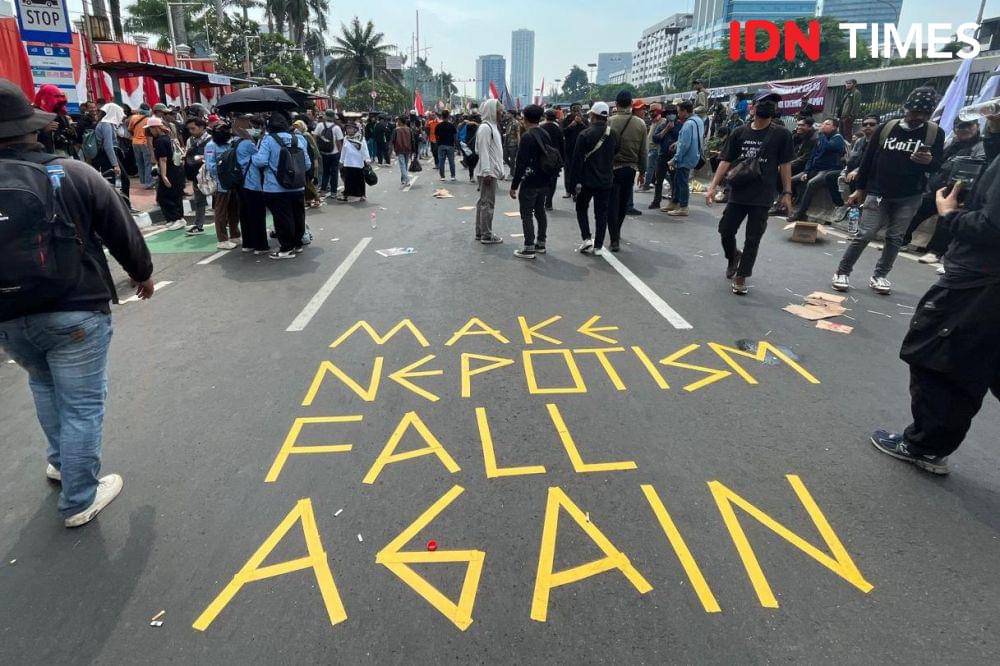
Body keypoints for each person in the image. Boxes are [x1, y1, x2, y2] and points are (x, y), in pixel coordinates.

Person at [0, 78, 154, 527]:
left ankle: (60, 463)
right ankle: (80, 497)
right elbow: (121, 229)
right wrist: (141, 273)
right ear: (32, 128)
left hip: (8, 316)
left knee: (43, 385)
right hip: (75, 308)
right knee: (81, 404)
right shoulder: (72, 172)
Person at [870, 149, 1000, 476]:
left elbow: (991, 226)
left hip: (979, 283)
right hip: (981, 280)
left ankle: (925, 446)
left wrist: (950, 214)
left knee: (940, 360)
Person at [832, 86, 944, 295]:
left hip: (910, 195)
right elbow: (868, 160)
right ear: (906, 109)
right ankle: (843, 271)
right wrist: (860, 189)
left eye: (924, 114)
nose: (918, 117)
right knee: (865, 234)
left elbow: (938, 165)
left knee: (895, 238)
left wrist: (928, 161)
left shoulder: (934, 133)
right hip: (878, 192)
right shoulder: (887, 128)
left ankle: (880, 276)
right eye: (915, 112)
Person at [705, 93, 794, 295]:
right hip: (738, 191)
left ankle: (741, 276)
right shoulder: (739, 132)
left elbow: (785, 165)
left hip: (763, 195)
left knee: (753, 238)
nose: (768, 106)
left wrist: (787, 192)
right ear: (752, 107)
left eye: (772, 103)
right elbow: (725, 160)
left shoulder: (782, 135)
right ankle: (733, 256)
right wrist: (712, 186)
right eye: (764, 102)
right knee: (725, 230)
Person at [902, 118, 985, 261]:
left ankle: (936, 252)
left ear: (977, 126)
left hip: (959, 191)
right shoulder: (951, 143)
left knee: (945, 219)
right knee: (917, 211)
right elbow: (937, 163)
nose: (964, 129)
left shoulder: (982, 146)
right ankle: (901, 241)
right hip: (937, 187)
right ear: (955, 129)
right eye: (960, 126)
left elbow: (977, 168)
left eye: (969, 125)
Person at [251, 112, 311, 259]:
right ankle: (297, 244)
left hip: (275, 187)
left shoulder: (268, 140)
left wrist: (253, 155)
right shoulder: (298, 139)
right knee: (298, 216)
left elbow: (260, 161)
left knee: (282, 218)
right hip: (297, 185)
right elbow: (307, 164)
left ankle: (286, 249)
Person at [568, 101, 616, 255]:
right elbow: (617, 151)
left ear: (593, 116)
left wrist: (572, 184)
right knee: (601, 213)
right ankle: (599, 246)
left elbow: (576, 161)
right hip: (606, 180)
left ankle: (587, 238)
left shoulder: (585, 134)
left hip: (586, 180)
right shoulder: (613, 134)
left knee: (581, 208)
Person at [509, 104, 555, 259]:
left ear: (525, 118)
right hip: (544, 180)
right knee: (540, 211)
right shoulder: (545, 133)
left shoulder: (527, 137)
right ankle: (541, 243)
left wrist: (514, 186)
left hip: (530, 181)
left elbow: (521, 164)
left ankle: (529, 247)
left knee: (527, 214)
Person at [607, 91, 647, 252]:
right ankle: (617, 230)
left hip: (611, 168)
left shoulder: (610, 122)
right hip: (630, 169)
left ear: (616, 104)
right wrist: (642, 172)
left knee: (612, 204)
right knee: (623, 203)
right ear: (631, 104)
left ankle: (614, 238)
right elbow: (643, 151)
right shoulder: (640, 124)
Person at [787, 118, 847, 222]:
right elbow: (812, 156)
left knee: (811, 183)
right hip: (814, 169)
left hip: (827, 170)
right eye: (823, 123)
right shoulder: (821, 138)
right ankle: (786, 206)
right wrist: (806, 171)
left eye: (827, 124)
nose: (823, 125)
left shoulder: (838, 139)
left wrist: (821, 134)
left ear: (834, 127)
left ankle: (801, 213)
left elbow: (826, 147)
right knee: (790, 180)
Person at [203, 120, 241, 250]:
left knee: (234, 209)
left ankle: (235, 234)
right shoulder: (211, 146)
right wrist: (224, 172)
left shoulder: (229, 144)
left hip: (232, 182)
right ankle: (222, 239)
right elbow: (210, 166)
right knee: (221, 212)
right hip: (220, 183)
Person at [235, 115, 270, 255]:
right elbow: (260, 160)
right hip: (252, 183)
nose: (253, 129)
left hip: (241, 183)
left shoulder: (236, 142)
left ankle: (248, 243)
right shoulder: (249, 144)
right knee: (257, 215)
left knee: (245, 214)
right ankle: (261, 246)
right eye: (251, 127)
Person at [474, 98, 506, 244]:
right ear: (492, 111)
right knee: (487, 203)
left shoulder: (492, 127)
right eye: (499, 111)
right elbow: (483, 151)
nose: (501, 114)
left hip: (490, 171)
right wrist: (487, 172)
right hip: (488, 172)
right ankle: (486, 235)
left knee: (484, 202)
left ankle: (481, 231)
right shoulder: (485, 128)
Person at [665, 100, 704, 217]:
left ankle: (683, 207)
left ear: (685, 111)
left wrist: (675, 159)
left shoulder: (688, 124)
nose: (678, 115)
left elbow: (685, 145)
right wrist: (677, 142)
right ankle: (675, 203)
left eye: (679, 112)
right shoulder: (698, 120)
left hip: (685, 158)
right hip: (694, 155)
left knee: (682, 182)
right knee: (679, 180)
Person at [147, 116, 186, 230]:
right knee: (174, 195)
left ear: (156, 128)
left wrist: (164, 176)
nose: (150, 131)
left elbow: (163, 159)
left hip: (169, 171)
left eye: (151, 128)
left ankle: (177, 218)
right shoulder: (169, 137)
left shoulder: (160, 141)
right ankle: (174, 218)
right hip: (176, 169)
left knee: (164, 196)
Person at [92, 102, 131, 205]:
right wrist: (115, 164)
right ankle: (124, 206)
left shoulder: (104, 124)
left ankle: (121, 206)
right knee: (122, 181)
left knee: (113, 182)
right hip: (108, 156)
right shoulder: (106, 125)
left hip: (106, 155)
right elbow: (108, 146)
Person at [183, 117, 211, 235]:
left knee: (219, 200)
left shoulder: (211, 140)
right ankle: (198, 225)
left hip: (211, 174)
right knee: (199, 200)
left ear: (202, 127)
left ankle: (228, 221)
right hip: (197, 175)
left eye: (193, 128)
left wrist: (202, 157)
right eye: (189, 129)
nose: (191, 131)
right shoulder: (190, 140)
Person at [33, 84, 76, 157]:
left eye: (59, 96)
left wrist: (71, 130)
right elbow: (28, 137)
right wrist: (43, 130)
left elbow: (71, 137)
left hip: (64, 152)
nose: (58, 100)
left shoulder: (61, 114)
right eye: (56, 96)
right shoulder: (36, 114)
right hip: (45, 154)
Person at [652, 103, 680, 210]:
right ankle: (656, 201)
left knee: (674, 179)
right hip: (662, 156)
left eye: (672, 113)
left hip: (674, 157)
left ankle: (674, 201)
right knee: (658, 180)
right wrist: (666, 130)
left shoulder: (680, 126)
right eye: (668, 113)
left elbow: (683, 139)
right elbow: (655, 139)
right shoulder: (662, 126)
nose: (670, 115)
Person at [338, 122, 372, 202]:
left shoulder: (360, 138)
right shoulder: (346, 138)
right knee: (348, 180)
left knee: (360, 180)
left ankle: (362, 195)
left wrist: (367, 159)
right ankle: (346, 195)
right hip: (348, 162)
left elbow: (364, 149)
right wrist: (341, 160)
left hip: (358, 163)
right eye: (347, 128)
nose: (349, 130)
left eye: (350, 128)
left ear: (355, 129)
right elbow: (343, 150)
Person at [314, 110, 344, 197]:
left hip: (323, 153)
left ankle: (323, 191)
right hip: (334, 154)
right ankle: (333, 192)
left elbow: (314, 137)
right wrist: (340, 153)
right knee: (334, 173)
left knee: (325, 172)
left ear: (325, 116)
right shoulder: (336, 128)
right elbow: (339, 142)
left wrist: (317, 149)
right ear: (333, 117)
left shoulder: (320, 125)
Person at [539, 108, 565, 210]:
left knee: (543, 180)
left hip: (543, 158)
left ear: (546, 117)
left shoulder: (541, 128)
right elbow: (562, 145)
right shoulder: (558, 129)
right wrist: (562, 159)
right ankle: (549, 202)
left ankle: (543, 200)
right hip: (555, 159)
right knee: (553, 181)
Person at [294, 119, 323, 208]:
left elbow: (314, 148)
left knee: (309, 181)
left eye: (298, 126)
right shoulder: (295, 136)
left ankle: (317, 198)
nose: (296, 128)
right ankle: (309, 199)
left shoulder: (306, 135)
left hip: (310, 161)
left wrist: (316, 160)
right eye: (295, 126)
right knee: (306, 182)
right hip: (302, 161)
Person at [561, 104, 587, 198]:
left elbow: (589, 132)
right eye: (574, 111)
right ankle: (568, 190)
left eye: (578, 110)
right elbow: (562, 132)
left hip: (581, 149)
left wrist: (581, 123)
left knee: (579, 170)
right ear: (571, 111)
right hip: (569, 149)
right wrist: (571, 126)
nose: (576, 113)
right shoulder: (566, 120)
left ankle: (577, 191)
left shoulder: (584, 120)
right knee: (568, 170)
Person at [127, 104, 153, 188]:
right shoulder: (149, 119)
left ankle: (143, 181)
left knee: (140, 162)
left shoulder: (133, 118)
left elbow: (129, 129)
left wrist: (135, 135)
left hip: (135, 142)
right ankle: (148, 183)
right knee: (147, 163)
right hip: (145, 143)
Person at [641, 106, 662, 192]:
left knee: (650, 168)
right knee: (656, 168)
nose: (651, 113)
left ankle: (646, 185)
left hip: (655, 148)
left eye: (653, 111)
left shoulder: (661, 121)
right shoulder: (654, 121)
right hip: (651, 148)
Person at [391, 116, 414, 187]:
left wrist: (392, 149)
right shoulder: (409, 129)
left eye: (398, 121)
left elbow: (393, 140)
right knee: (405, 165)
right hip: (408, 149)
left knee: (402, 165)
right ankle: (403, 179)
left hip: (399, 149)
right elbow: (412, 140)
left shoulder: (396, 130)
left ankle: (407, 180)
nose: (397, 122)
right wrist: (413, 150)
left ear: (400, 121)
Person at [436, 109, 458, 181]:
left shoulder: (438, 125)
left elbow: (436, 136)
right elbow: (455, 137)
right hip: (450, 145)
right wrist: (456, 146)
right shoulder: (452, 126)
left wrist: (438, 144)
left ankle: (442, 177)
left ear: (442, 116)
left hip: (441, 145)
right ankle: (453, 176)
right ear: (448, 116)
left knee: (441, 162)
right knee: (451, 162)